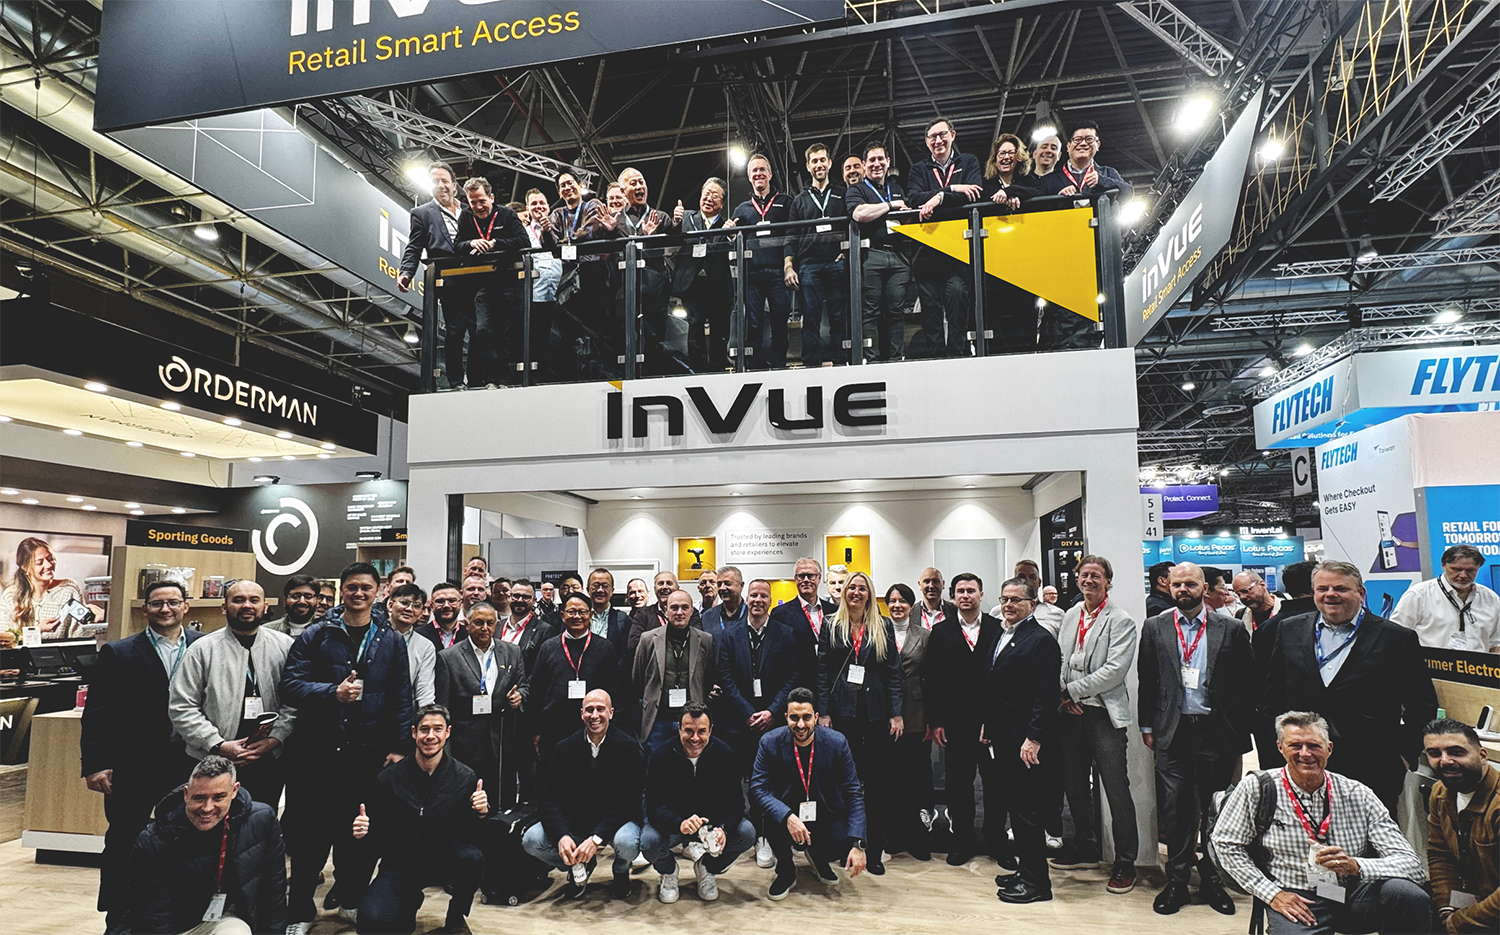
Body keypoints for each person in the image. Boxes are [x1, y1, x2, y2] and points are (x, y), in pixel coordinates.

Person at [279, 562, 414, 927]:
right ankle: (300, 909)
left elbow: (402, 697)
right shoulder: (316, 635)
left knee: (358, 834)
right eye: (352, 587)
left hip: (368, 755)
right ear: (341, 590)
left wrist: (400, 747)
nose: (358, 593)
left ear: (379, 592)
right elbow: (290, 686)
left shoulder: (390, 640)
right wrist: (331, 693)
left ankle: (351, 898)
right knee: (310, 837)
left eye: (366, 588)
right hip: (318, 754)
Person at [1211, 711, 1429, 935]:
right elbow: (1226, 844)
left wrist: (1357, 866)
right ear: (1280, 748)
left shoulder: (1357, 793)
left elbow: (1412, 866)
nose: (1305, 754)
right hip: (1295, 895)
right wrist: (1271, 894)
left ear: (1329, 749)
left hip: (1352, 892)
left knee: (1408, 895)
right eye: (1295, 746)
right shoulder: (1257, 788)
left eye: (1314, 746)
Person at [1263, 560, 1438, 812]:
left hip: (1372, 765)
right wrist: (1278, 747)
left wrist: (1404, 755)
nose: (1330, 594)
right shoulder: (1290, 629)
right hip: (1304, 759)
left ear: (1361, 593)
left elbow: (1422, 704)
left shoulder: (1396, 637)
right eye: (1322, 589)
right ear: (1313, 592)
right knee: (1302, 831)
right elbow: (1273, 695)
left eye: (1341, 588)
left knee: (1369, 834)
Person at [83, 578, 205, 935]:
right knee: (124, 841)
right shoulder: (119, 652)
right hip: (134, 765)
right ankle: (119, 918)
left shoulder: (204, 646)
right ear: (145, 609)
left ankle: (177, 916)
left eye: (173, 602)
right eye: (157, 603)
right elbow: (98, 712)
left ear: (186, 606)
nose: (165, 609)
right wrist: (96, 763)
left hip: (188, 762)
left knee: (186, 839)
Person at [1139, 561, 1254, 915]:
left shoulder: (1231, 628)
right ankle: (1177, 881)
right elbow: (1147, 679)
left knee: (1215, 809)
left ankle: (1212, 879)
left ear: (1204, 588)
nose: (1183, 590)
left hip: (1215, 732)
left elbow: (1247, 681)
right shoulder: (1155, 626)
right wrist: (1147, 726)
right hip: (1172, 731)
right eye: (1177, 584)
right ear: (1168, 587)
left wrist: (1240, 729)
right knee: (1175, 810)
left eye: (1190, 584)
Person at [353, 705, 488, 935]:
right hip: (400, 864)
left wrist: (482, 813)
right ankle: (409, 901)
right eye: (424, 729)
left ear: (448, 732)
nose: (430, 736)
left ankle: (456, 915)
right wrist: (363, 834)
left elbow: (476, 837)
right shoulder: (388, 779)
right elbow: (375, 839)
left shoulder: (464, 777)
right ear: (414, 732)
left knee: (472, 858)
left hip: (444, 859)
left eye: (438, 729)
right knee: (371, 924)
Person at [1052, 555, 1139, 894]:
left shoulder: (1121, 620)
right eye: (1084, 575)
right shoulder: (1071, 614)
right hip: (1070, 715)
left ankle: (1125, 861)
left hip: (1103, 715)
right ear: (1077, 579)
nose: (1089, 580)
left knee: (1116, 790)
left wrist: (1071, 691)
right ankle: (1085, 845)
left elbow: (1114, 671)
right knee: (1074, 785)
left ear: (1108, 582)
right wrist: (1063, 694)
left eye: (1096, 576)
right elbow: (1060, 658)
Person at [169, 580, 296, 808]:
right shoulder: (202, 649)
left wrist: (275, 738)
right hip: (211, 760)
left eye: (254, 600)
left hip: (267, 759)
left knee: (260, 822)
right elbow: (182, 706)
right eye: (238, 600)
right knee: (210, 820)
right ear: (224, 607)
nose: (247, 605)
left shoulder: (285, 646)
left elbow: (294, 701)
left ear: (265, 606)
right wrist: (217, 744)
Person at [128, 756, 286, 935]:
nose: (207, 808)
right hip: (173, 926)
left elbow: (273, 893)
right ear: (186, 794)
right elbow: (154, 914)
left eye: (218, 797)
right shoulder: (152, 840)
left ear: (234, 791)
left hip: (223, 918)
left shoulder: (262, 822)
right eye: (199, 798)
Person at [817, 571, 902, 874]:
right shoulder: (831, 624)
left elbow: (893, 672)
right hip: (842, 714)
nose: (855, 592)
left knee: (877, 783)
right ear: (844, 592)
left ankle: (874, 850)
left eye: (862, 588)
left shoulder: (883, 625)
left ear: (869, 593)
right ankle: (848, 847)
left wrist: (896, 713)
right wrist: (823, 712)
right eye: (851, 587)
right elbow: (822, 671)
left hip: (875, 714)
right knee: (844, 782)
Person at [984, 577, 1064, 904]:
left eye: (1016, 600)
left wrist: (1033, 738)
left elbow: (1046, 696)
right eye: (1004, 599)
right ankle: (1026, 870)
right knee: (1016, 810)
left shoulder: (1040, 640)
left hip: (1024, 742)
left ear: (1032, 604)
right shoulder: (1003, 633)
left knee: (1028, 812)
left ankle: (1037, 883)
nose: (1008, 605)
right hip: (1004, 736)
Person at [523, 689, 644, 899]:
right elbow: (548, 798)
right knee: (531, 840)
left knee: (627, 843)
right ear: (581, 714)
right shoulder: (564, 748)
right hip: (576, 821)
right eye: (589, 710)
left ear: (611, 713)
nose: (594, 715)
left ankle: (621, 869)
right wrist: (561, 836)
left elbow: (629, 801)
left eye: (600, 709)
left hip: (614, 822)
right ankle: (579, 865)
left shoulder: (629, 747)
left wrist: (595, 840)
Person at [751, 687, 868, 899]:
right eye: (794, 718)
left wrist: (858, 844)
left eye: (806, 717)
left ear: (816, 717)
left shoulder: (837, 742)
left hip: (824, 812)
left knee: (842, 841)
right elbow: (758, 789)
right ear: (786, 717)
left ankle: (817, 857)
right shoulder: (769, 742)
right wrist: (787, 816)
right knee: (771, 816)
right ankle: (786, 871)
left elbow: (853, 792)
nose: (800, 725)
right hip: (785, 813)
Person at [716, 578, 800, 866]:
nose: (758, 600)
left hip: (772, 724)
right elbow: (725, 677)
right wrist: (746, 711)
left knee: (768, 783)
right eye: (754, 595)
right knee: (733, 782)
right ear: (747, 598)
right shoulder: (730, 635)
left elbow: (792, 676)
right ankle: (732, 835)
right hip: (737, 723)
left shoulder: (785, 634)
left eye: (764, 596)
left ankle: (765, 836)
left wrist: (772, 712)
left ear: (770, 601)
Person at [640, 702, 756, 903]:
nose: (695, 738)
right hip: (675, 824)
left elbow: (736, 802)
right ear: (679, 728)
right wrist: (679, 823)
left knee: (747, 833)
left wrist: (724, 828)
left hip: (711, 823)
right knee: (649, 841)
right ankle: (668, 871)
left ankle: (706, 867)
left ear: (710, 730)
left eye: (701, 731)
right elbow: (654, 806)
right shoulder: (661, 755)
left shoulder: (724, 753)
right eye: (689, 731)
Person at [925, 572, 1000, 866]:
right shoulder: (940, 632)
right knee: (958, 785)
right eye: (960, 591)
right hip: (955, 723)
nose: (965, 596)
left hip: (990, 722)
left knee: (995, 785)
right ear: (953, 596)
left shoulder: (997, 628)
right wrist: (935, 721)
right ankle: (963, 841)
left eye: (971, 590)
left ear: (981, 594)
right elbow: (932, 678)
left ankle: (995, 839)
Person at [434, 601, 525, 809]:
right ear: (467, 624)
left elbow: (524, 686)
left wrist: (520, 696)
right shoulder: (448, 657)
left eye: (490, 623)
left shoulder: (512, 651)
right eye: (479, 623)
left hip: (502, 741)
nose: (485, 628)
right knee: (468, 802)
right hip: (466, 744)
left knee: (501, 802)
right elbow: (443, 707)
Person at [906, 118, 984, 358]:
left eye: (942, 135)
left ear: (952, 135)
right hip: (926, 251)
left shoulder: (968, 161)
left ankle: (957, 354)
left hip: (958, 248)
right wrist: (951, 190)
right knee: (930, 309)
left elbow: (974, 194)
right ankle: (936, 357)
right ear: (926, 141)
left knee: (958, 298)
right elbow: (914, 199)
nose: (938, 140)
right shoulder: (918, 169)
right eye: (932, 136)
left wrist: (938, 199)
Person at [1423, 718, 1500, 933]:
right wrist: (1446, 909)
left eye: (1456, 752)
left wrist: (1462, 920)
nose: (1445, 761)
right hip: (1469, 901)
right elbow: (1440, 854)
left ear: (1482, 755)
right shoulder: (1439, 793)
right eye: (1434, 753)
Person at [529, 593, 618, 773]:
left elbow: (614, 689)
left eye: (582, 612)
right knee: (554, 779)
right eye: (571, 612)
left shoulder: (604, 647)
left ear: (590, 615)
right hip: (554, 729)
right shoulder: (548, 647)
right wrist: (535, 730)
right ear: (562, 615)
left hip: (593, 727)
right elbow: (536, 691)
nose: (577, 616)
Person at [455, 177, 529, 387]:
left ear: (492, 197)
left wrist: (496, 243)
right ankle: (491, 380)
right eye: (473, 202)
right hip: (484, 285)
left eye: (482, 201)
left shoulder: (507, 214)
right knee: (483, 330)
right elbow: (457, 245)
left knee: (508, 334)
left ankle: (508, 381)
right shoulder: (466, 217)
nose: (478, 207)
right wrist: (471, 242)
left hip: (510, 283)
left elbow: (523, 241)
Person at [397, 162, 465, 389]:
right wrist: (406, 272)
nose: (441, 185)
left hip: (475, 278)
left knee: (480, 330)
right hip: (448, 279)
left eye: (445, 181)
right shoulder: (422, 213)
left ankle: (479, 379)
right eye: (435, 181)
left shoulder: (469, 210)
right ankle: (456, 382)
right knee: (455, 331)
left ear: (454, 185)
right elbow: (414, 247)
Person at [784, 142, 850, 368]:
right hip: (808, 266)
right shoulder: (799, 200)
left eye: (822, 160)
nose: (819, 164)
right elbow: (791, 235)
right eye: (814, 161)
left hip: (836, 263)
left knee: (839, 318)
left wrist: (846, 251)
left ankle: (841, 364)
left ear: (829, 163)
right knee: (810, 319)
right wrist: (788, 266)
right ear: (808, 166)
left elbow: (852, 227)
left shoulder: (842, 194)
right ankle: (810, 366)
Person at [845, 144, 912, 361]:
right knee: (869, 312)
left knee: (896, 311)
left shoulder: (897, 188)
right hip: (871, 255)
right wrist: (891, 206)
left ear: (888, 162)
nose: (877, 164)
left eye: (881, 159)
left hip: (899, 257)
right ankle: (872, 361)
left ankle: (895, 359)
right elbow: (859, 214)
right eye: (872, 160)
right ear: (864, 165)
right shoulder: (857, 190)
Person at [635, 589, 718, 754]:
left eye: (684, 607)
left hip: (693, 721)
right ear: (666, 610)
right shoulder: (648, 639)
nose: (679, 612)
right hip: (658, 720)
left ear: (692, 611)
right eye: (674, 608)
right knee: (656, 765)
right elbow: (637, 679)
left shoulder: (705, 640)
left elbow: (708, 678)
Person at [885, 583, 934, 861]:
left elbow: (932, 679)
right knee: (892, 778)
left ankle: (918, 837)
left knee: (917, 777)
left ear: (911, 605)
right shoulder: (877, 632)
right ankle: (894, 835)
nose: (897, 605)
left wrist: (931, 720)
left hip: (916, 714)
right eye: (892, 600)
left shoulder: (925, 636)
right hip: (885, 715)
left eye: (902, 601)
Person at [616, 167, 681, 375]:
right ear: (623, 190)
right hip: (624, 287)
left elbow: (676, 240)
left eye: (641, 182)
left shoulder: (659, 217)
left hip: (654, 288)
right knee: (624, 334)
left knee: (655, 336)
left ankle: (654, 377)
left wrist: (677, 222)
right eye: (633, 183)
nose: (639, 186)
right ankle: (625, 377)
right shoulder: (616, 221)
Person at [980, 133, 1041, 351]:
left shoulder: (1028, 181)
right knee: (994, 313)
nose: (1006, 157)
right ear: (994, 159)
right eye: (1001, 153)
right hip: (995, 259)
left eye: (1010, 153)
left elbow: (1040, 192)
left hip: (1024, 259)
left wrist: (1011, 192)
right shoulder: (986, 184)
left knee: (1026, 312)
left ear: (1019, 156)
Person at [671, 177, 734, 373]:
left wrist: (731, 236)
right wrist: (675, 222)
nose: (709, 198)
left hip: (718, 286)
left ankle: (717, 371)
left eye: (715, 195)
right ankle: (697, 372)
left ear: (722, 203)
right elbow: (672, 239)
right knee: (694, 328)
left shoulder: (727, 225)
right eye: (706, 193)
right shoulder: (686, 218)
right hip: (693, 284)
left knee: (720, 331)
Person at [1393, 544, 1499, 652]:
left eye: (1470, 570)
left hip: (1478, 662)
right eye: (1456, 569)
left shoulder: (1491, 598)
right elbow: (1394, 637)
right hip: (1431, 662)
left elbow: (1496, 643)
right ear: (1443, 566)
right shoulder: (1418, 595)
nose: (1463, 575)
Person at [1, 535, 91, 641]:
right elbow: (3, 640)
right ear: (25, 567)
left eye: (50, 559)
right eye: (40, 562)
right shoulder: (9, 596)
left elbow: (79, 636)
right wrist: (37, 630)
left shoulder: (69, 590)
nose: (48, 565)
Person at [771, 557, 837, 691]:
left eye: (810, 575)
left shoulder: (835, 611)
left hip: (831, 684)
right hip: (798, 686)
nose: (806, 580)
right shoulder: (780, 614)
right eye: (801, 576)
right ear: (795, 579)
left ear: (819, 578)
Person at [521, 188, 562, 381]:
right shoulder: (523, 232)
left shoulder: (559, 227)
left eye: (542, 203)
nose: (539, 206)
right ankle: (538, 381)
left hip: (561, 294)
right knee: (539, 344)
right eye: (534, 204)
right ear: (527, 208)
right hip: (535, 296)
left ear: (548, 206)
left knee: (559, 345)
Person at [626, 571, 703, 664]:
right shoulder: (642, 615)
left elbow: (697, 640)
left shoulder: (691, 612)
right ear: (655, 589)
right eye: (660, 583)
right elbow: (634, 646)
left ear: (677, 588)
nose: (665, 587)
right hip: (654, 667)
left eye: (669, 583)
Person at [386, 583, 436, 708]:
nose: (409, 609)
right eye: (404, 603)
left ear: (421, 612)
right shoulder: (373, 635)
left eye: (416, 606)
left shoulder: (425, 646)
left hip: (404, 709)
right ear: (390, 605)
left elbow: (425, 691)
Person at [497, 578, 553, 675]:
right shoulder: (497, 626)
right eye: (516, 596)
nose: (520, 600)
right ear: (509, 597)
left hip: (525, 683)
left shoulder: (544, 631)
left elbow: (543, 669)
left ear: (534, 600)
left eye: (526, 597)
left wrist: (521, 685)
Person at [585, 568, 631, 646]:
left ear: (612, 591)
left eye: (605, 586)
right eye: (595, 586)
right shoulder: (579, 617)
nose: (600, 590)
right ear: (588, 589)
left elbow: (625, 652)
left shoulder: (623, 620)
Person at [416, 582, 467, 652]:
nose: (446, 605)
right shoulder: (418, 635)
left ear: (460, 604)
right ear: (432, 606)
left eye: (452, 601)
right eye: (440, 601)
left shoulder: (470, 635)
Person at [700, 566, 746, 640]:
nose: (722, 588)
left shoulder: (751, 614)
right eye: (719, 584)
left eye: (727, 583)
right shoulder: (707, 616)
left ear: (741, 585)